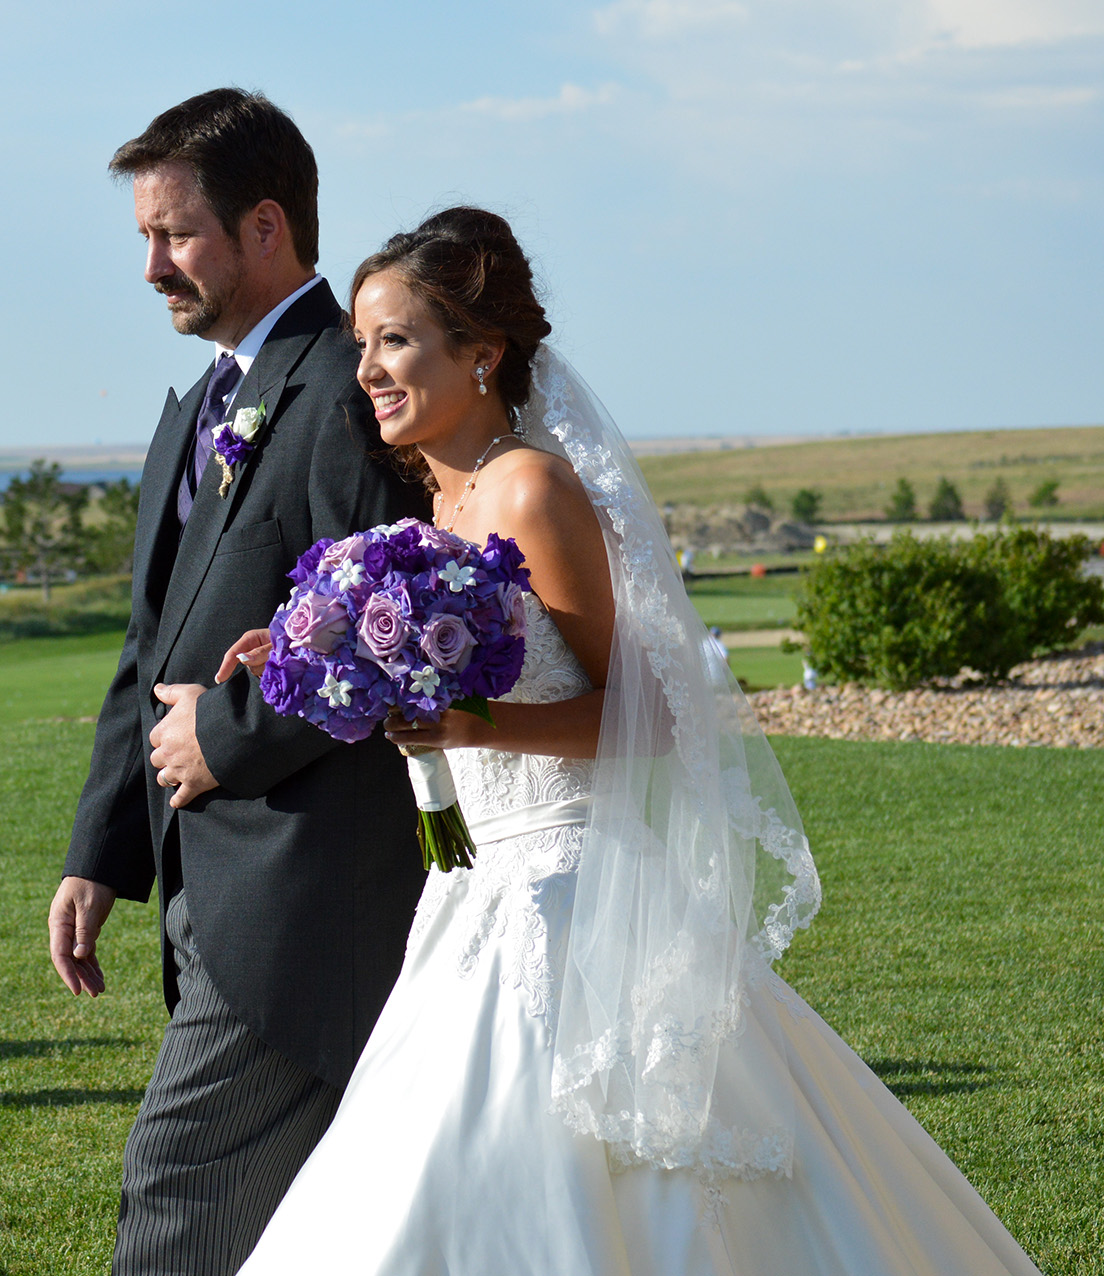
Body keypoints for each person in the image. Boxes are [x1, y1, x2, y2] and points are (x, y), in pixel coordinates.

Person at [225, 208, 1042, 1274]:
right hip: (471, 890)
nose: (368, 369)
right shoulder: (430, 513)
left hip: (566, 892)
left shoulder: (531, 489)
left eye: (396, 340)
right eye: (362, 343)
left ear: (482, 352)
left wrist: (477, 722)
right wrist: (317, 650)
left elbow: (645, 715)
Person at [47, 89, 427, 1276]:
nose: (153, 266)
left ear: (266, 227)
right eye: (146, 237)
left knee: (181, 1191)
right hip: (203, 884)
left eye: (176, 234)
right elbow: (147, 650)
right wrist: (101, 852)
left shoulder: (347, 394)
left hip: (305, 894)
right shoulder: (200, 405)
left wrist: (228, 735)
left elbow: (386, 633)